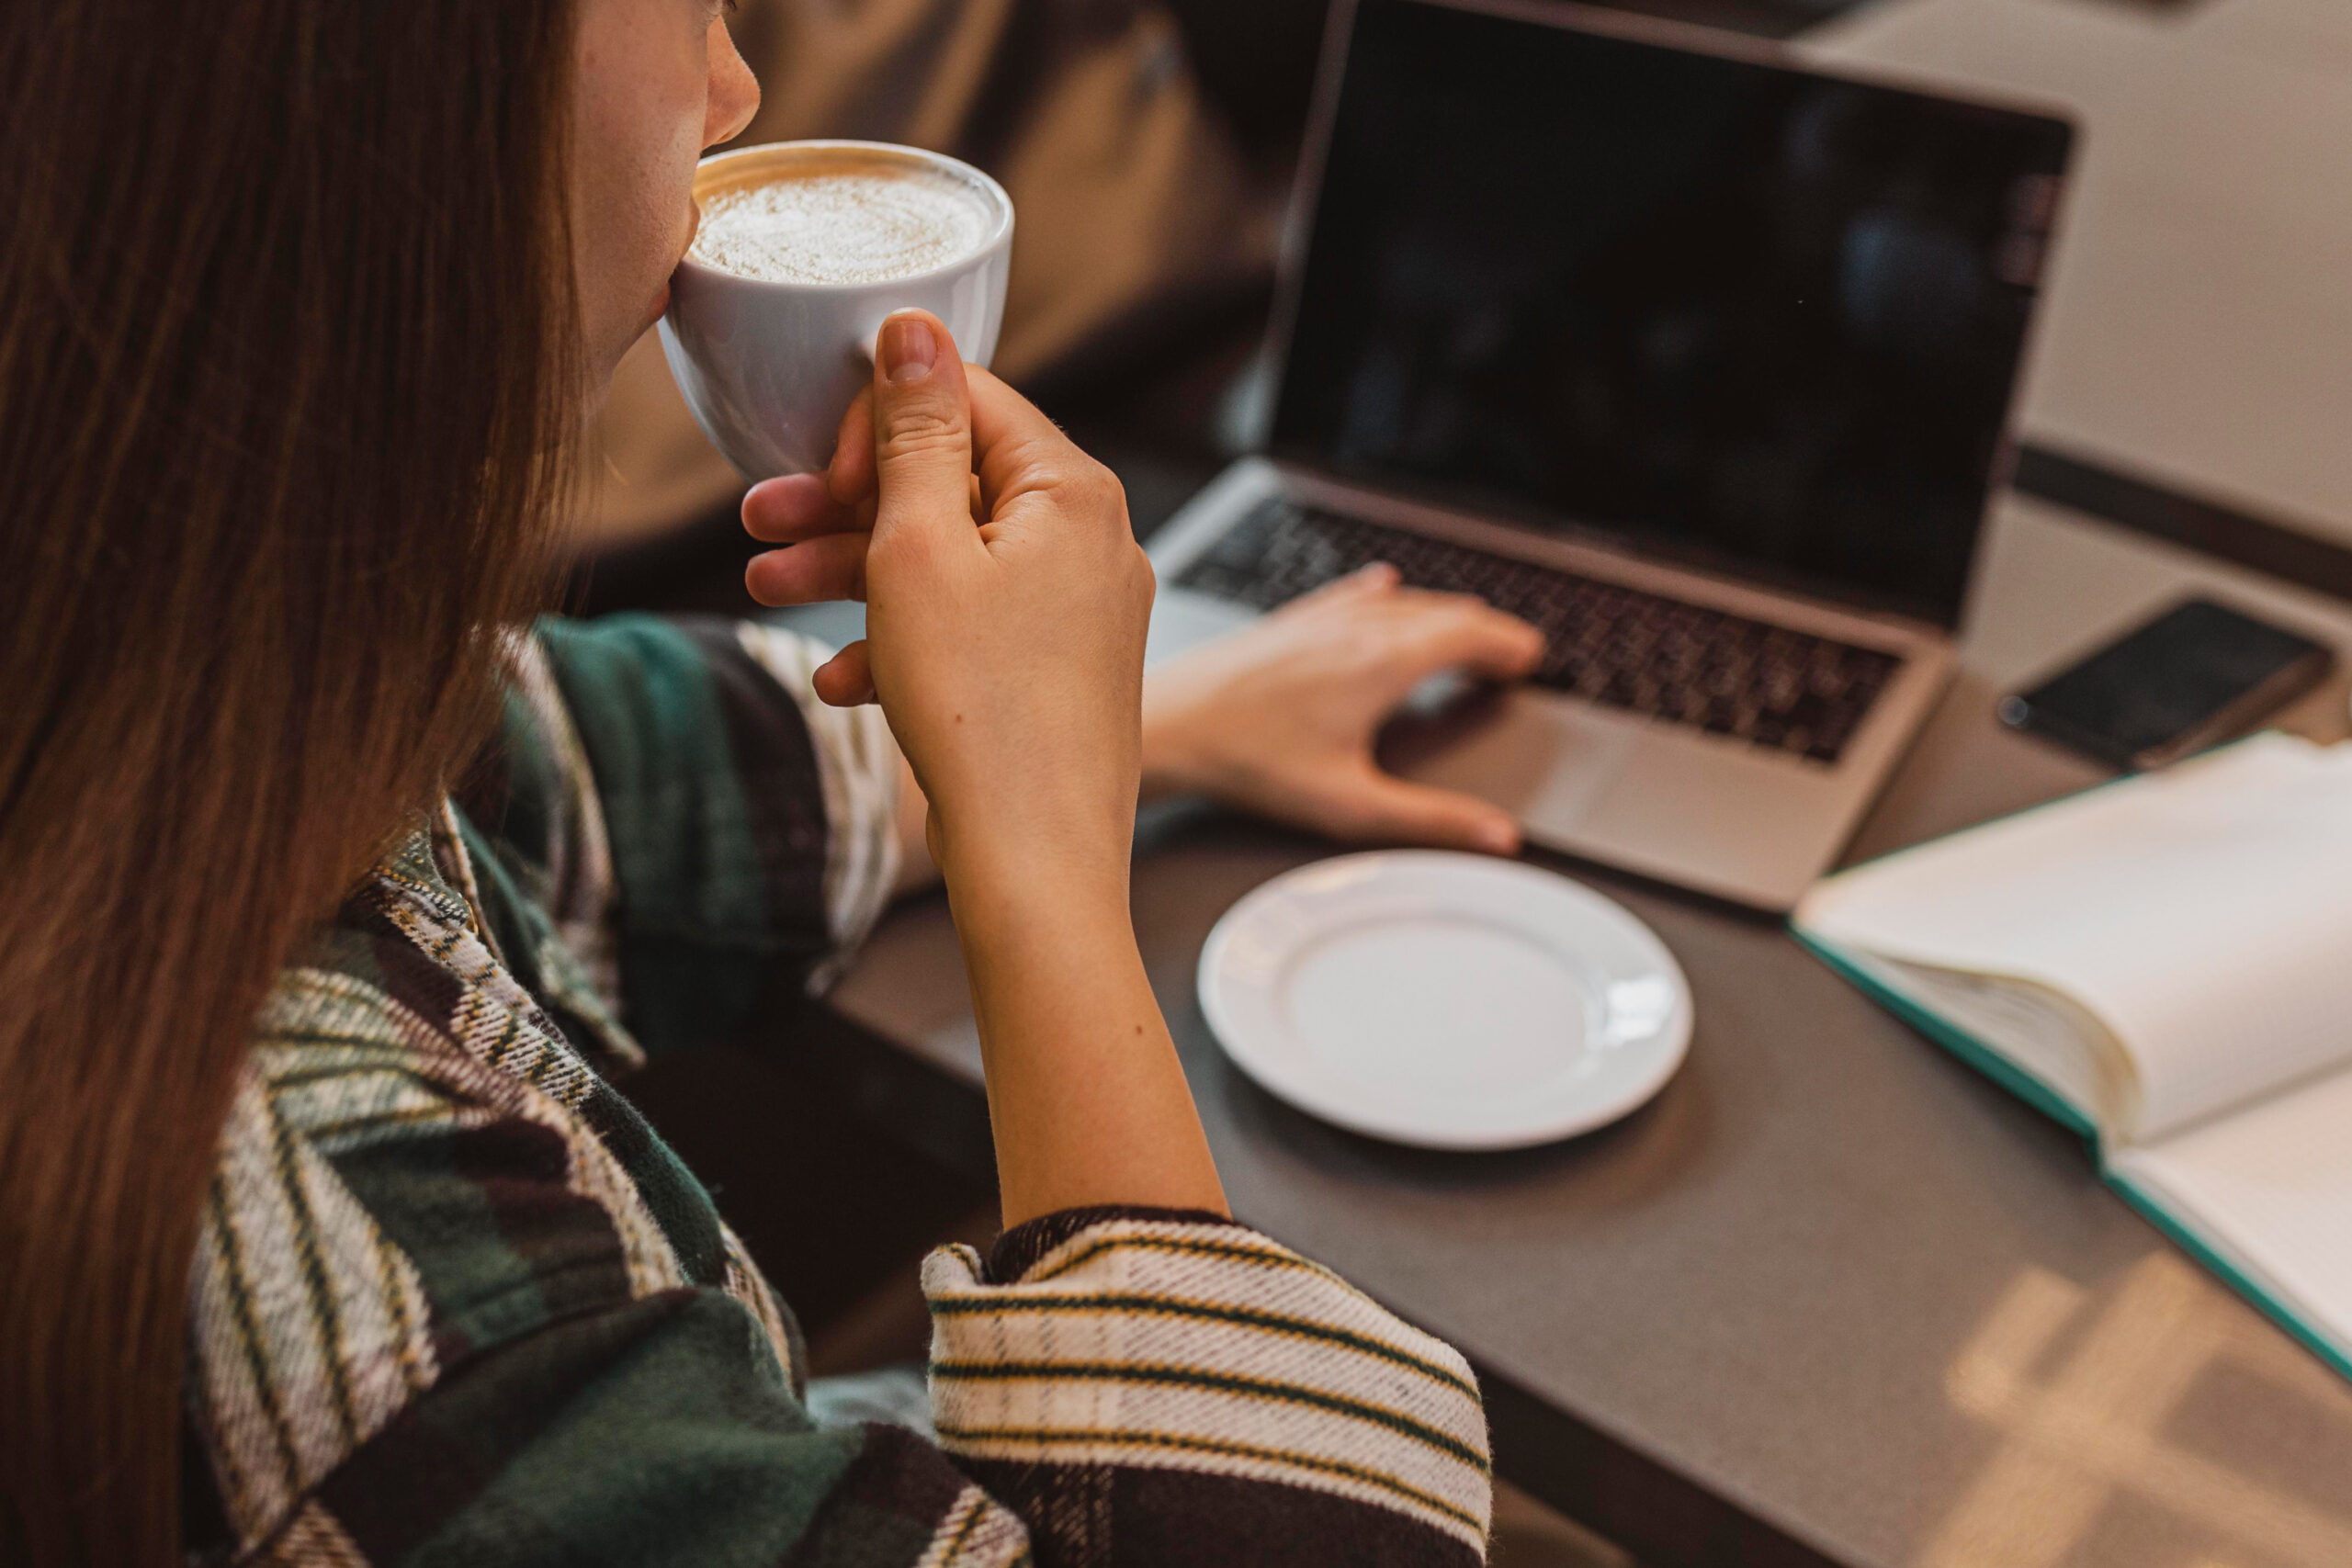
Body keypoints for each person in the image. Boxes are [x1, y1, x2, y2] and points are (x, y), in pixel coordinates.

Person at [0, 2, 1545, 1563]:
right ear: (381, 106)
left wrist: (1154, 718)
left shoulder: (156, 682)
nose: (733, 83)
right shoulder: (368, 1260)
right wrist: (1044, 865)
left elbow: (572, 756)